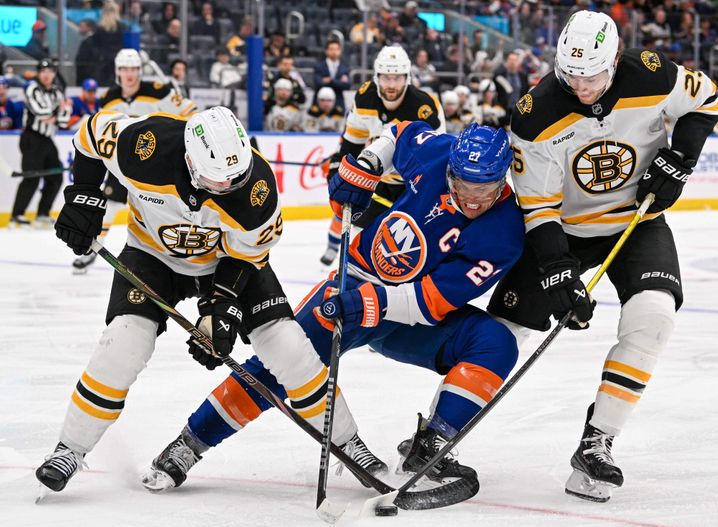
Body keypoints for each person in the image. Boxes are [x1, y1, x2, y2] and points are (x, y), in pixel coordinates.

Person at [142, 120, 523, 499]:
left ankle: (431, 448)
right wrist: (369, 164)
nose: (473, 199)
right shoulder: (438, 152)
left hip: (410, 318)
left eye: (486, 188)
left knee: (496, 343)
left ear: (503, 178)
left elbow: (432, 300)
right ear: (450, 171)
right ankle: (189, 444)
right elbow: (399, 131)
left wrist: (371, 303)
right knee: (281, 363)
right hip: (356, 279)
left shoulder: (502, 232)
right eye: (464, 186)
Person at [34, 106, 380, 495]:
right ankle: (70, 448)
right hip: (151, 255)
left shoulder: (257, 190)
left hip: (226, 263)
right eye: (217, 183)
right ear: (190, 161)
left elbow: (247, 255)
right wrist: (84, 196)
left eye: (237, 179)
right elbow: (90, 134)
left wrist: (222, 311)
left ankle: (348, 442)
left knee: (288, 346)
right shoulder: (145, 147)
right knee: (124, 342)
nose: (231, 189)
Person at [486, 10, 718, 503]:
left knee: (653, 318)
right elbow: (539, 206)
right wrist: (556, 271)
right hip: (564, 231)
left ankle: (597, 442)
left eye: (591, 75)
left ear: (614, 60)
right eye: (570, 74)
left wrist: (680, 160)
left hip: (637, 221)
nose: (581, 85)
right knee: (501, 332)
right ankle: (440, 431)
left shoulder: (652, 73)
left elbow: (704, 100)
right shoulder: (536, 112)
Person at [71, 48, 197, 274]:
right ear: (118, 71)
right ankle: (92, 249)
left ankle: (175, 256)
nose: (129, 74)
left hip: (158, 163)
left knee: (164, 210)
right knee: (109, 205)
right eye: (124, 69)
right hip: (122, 162)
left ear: (140, 71)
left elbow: (190, 112)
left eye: (134, 69)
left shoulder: (158, 91)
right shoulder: (108, 97)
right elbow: (103, 131)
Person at [320, 45, 445, 266]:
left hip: (413, 187)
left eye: (397, 78)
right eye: (386, 77)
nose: (391, 85)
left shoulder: (424, 107)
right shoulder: (364, 97)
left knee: (411, 250)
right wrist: (338, 167)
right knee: (365, 244)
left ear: (407, 78)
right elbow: (352, 143)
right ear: (377, 76)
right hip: (379, 184)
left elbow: (433, 161)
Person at [10, 59, 70, 228]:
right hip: (32, 138)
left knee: (56, 177)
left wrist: (55, 116)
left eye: (50, 71)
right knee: (31, 177)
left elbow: (64, 122)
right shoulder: (32, 88)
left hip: (47, 139)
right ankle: (17, 215)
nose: (47, 75)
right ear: (38, 73)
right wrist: (60, 111)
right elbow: (42, 113)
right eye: (43, 71)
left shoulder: (57, 92)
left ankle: (42, 213)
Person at [312, 39, 350, 109]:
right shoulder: (319, 66)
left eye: (336, 49)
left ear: (340, 51)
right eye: (331, 49)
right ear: (326, 51)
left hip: (338, 104)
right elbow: (318, 83)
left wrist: (330, 80)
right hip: (320, 102)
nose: (334, 52)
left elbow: (347, 85)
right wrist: (338, 81)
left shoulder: (344, 68)